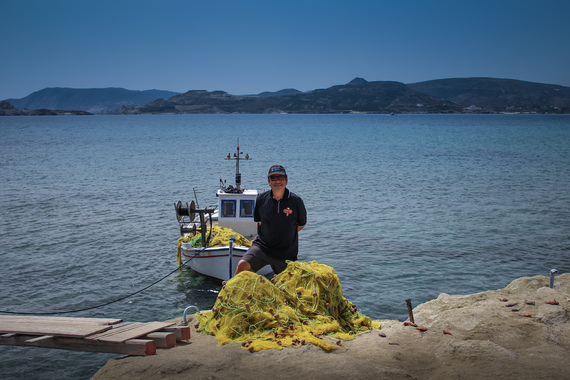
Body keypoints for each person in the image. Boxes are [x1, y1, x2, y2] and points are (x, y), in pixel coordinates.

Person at [235, 165, 307, 276]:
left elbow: (301, 224)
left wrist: (284, 235)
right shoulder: (261, 199)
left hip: (286, 253)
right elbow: (259, 222)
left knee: (286, 286)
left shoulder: (296, 201)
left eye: (281, 178)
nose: (277, 181)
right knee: (242, 264)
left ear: (286, 180)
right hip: (262, 248)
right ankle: (231, 292)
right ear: (269, 182)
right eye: (273, 178)